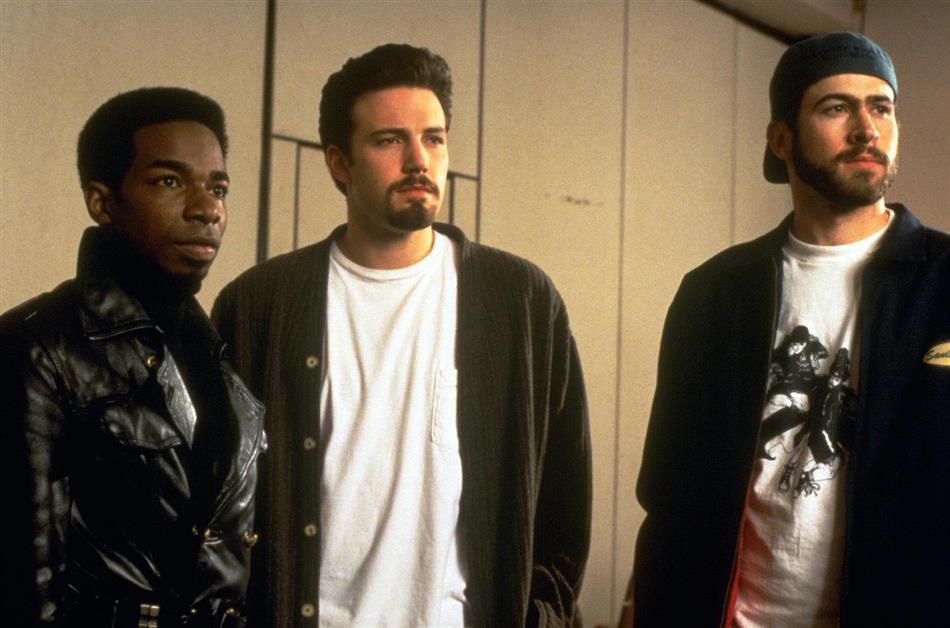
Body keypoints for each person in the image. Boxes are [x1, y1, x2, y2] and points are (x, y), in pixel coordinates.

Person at [212, 43, 591, 627]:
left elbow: (566, 494)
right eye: (390, 140)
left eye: (434, 139)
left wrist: (540, 617)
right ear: (339, 163)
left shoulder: (520, 300)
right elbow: (219, 505)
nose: (419, 160)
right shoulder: (260, 305)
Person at [626, 32, 949, 627]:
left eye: (881, 108)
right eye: (836, 108)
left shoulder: (945, 281)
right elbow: (670, 495)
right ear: (782, 140)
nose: (866, 129)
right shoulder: (715, 292)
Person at [0, 87, 265, 627]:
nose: (207, 208)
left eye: (218, 187)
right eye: (169, 181)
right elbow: (23, 588)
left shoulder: (214, 349)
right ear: (103, 202)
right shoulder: (38, 345)